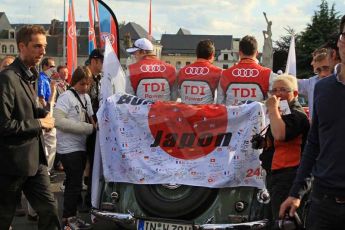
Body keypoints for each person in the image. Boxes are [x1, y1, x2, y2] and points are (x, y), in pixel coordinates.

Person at [279, 15, 345, 230]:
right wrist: (296, 192)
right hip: (323, 202)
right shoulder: (324, 89)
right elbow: (314, 143)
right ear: (340, 43)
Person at [0, 25, 60, 230]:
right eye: (37, 46)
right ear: (21, 46)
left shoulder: (30, 75)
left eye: (44, 46)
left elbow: (28, 107)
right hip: (11, 165)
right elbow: (3, 124)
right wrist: (39, 123)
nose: (43, 52)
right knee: (3, 218)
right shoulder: (7, 78)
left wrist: (42, 113)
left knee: (50, 212)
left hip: (35, 162)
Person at [261, 75, 309, 223]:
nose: (277, 94)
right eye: (274, 90)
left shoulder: (297, 115)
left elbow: (280, 134)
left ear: (295, 93)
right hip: (277, 175)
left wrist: (272, 108)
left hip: (288, 176)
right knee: (278, 220)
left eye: (283, 90)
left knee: (286, 222)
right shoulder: (284, 112)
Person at [54, 66, 95, 229]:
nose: (85, 87)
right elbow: (58, 121)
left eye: (87, 84)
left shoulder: (86, 97)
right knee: (74, 185)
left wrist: (94, 127)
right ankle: (67, 220)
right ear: (74, 82)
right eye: (82, 84)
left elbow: (91, 119)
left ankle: (71, 218)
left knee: (75, 184)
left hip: (80, 146)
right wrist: (87, 128)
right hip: (68, 148)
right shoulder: (65, 97)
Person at [217, 35, 276, 105]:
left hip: (232, 115)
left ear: (239, 53)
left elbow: (220, 103)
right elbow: (272, 101)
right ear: (257, 53)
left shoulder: (225, 73)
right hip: (257, 115)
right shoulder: (267, 73)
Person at [177, 39, 222, 104]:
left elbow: (178, 93)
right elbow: (220, 100)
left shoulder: (182, 71)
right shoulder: (217, 71)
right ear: (212, 55)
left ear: (197, 54)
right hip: (205, 112)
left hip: (186, 112)